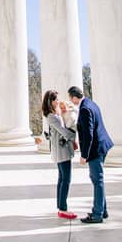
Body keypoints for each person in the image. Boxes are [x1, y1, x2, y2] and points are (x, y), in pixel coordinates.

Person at [68, 86, 114, 224]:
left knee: (97, 180)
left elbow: (88, 135)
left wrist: (84, 155)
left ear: (74, 97)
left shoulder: (84, 109)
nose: (71, 101)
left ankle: (97, 214)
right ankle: (102, 210)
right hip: (102, 145)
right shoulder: (90, 103)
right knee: (97, 180)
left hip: (96, 148)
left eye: (70, 98)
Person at [42, 90, 77, 220]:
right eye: (55, 99)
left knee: (62, 179)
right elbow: (63, 132)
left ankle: (61, 207)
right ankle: (63, 209)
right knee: (65, 180)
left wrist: (63, 115)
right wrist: (75, 134)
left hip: (61, 150)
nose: (58, 101)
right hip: (62, 152)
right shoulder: (51, 116)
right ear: (50, 101)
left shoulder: (54, 115)